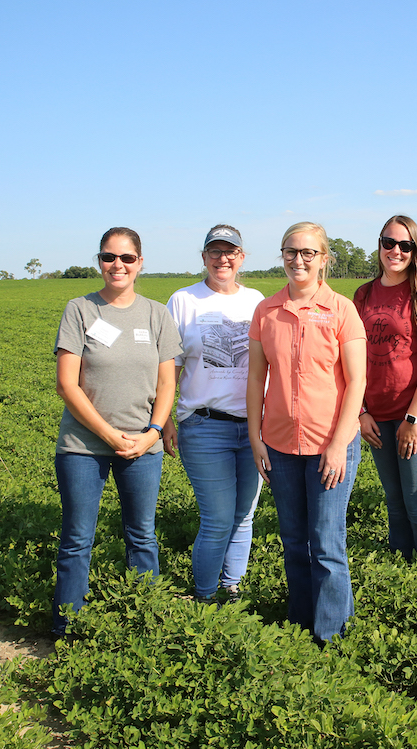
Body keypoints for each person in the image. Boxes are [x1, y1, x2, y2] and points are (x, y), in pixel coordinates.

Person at [52, 227, 182, 635]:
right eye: (109, 257)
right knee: (77, 537)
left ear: (140, 262)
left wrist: (153, 433)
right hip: (82, 446)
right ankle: (67, 628)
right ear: (100, 262)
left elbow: (167, 385)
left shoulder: (156, 314)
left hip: (144, 445)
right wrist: (109, 435)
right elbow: (66, 384)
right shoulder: (80, 310)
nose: (118, 265)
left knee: (141, 534)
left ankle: (146, 623)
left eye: (127, 258)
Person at [247, 222, 366, 643]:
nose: (299, 260)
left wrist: (338, 445)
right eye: (291, 252)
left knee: (326, 542)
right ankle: (300, 626)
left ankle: (331, 635)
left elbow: (357, 382)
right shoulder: (267, 311)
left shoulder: (341, 309)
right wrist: (256, 436)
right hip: (279, 444)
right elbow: (256, 378)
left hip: (329, 444)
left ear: (324, 259)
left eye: (308, 253)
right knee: (294, 540)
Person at [164, 225, 264, 605]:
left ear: (241, 257)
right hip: (205, 426)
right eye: (214, 251)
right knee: (218, 518)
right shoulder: (184, 300)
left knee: (243, 516)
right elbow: (169, 366)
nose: (223, 258)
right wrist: (166, 419)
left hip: (252, 428)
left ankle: (232, 587)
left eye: (231, 251)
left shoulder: (256, 301)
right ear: (203, 257)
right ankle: (205, 596)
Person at [353, 215, 417, 577]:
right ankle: (402, 575)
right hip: (376, 416)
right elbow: (352, 357)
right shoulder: (363, 294)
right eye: (388, 242)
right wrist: (361, 412)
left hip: (414, 416)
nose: (396, 251)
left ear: (415, 251)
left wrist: (413, 418)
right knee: (394, 502)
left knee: (416, 502)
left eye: (405, 245)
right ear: (378, 245)